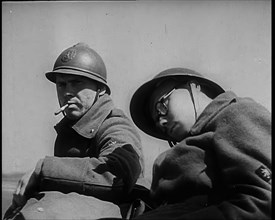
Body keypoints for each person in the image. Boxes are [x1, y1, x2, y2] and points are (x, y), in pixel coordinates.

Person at [4, 43, 149, 220]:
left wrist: (43, 170)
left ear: (100, 89)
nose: (67, 92)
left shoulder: (114, 125)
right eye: (61, 85)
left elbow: (117, 175)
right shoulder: (71, 128)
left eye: (76, 83)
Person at [129, 67, 271, 220]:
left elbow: (263, 202)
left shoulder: (236, 114)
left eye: (162, 106)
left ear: (194, 86)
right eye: (157, 121)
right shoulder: (193, 143)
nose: (161, 122)